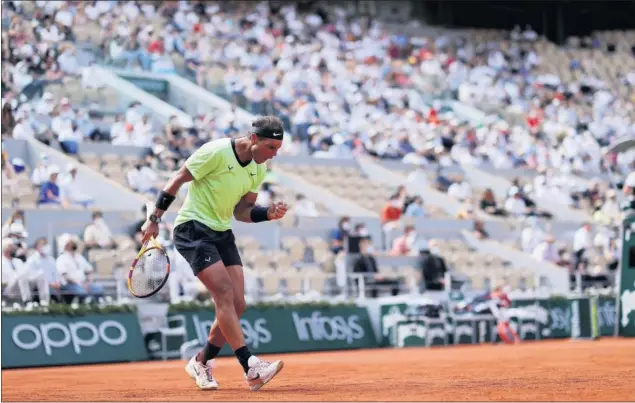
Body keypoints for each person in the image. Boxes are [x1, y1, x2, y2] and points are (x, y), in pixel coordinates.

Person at [140, 116, 287, 392]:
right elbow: (176, 180)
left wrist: (267, 213)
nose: (273, 154)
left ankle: (200, 361)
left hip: (221, 232)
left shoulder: (259, 169)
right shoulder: (216, 152)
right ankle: (250, 365)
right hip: (192, 228)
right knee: (223, 292)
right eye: (270, 147)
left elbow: (241, 212)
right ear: (253, 139)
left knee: (238, 303)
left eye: (278, 149)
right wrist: (154, 219)